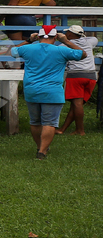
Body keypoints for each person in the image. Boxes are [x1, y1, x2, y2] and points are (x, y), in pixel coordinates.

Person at [6, 25, 86, 159]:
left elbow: (12, 51)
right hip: (52, 91)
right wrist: (66, 41)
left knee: (35, 122)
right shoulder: (61, 50)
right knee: (49, 122)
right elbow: (83, 54)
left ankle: (39, 146)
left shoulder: (28, 48)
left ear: (39, 36)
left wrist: (29, 41)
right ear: (56, 37)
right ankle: (42, 152)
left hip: (31, 90)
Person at [58, 24, 99, 136]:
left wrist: (64, 40)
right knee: (77, 105)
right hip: (91, 76)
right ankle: (63, 129)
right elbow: (95, 38)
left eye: (67, 33)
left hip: (76, 75)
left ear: (70, 34)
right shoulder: (90, 42)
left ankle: (80, 130)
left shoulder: (63, 46)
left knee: (76, 104)